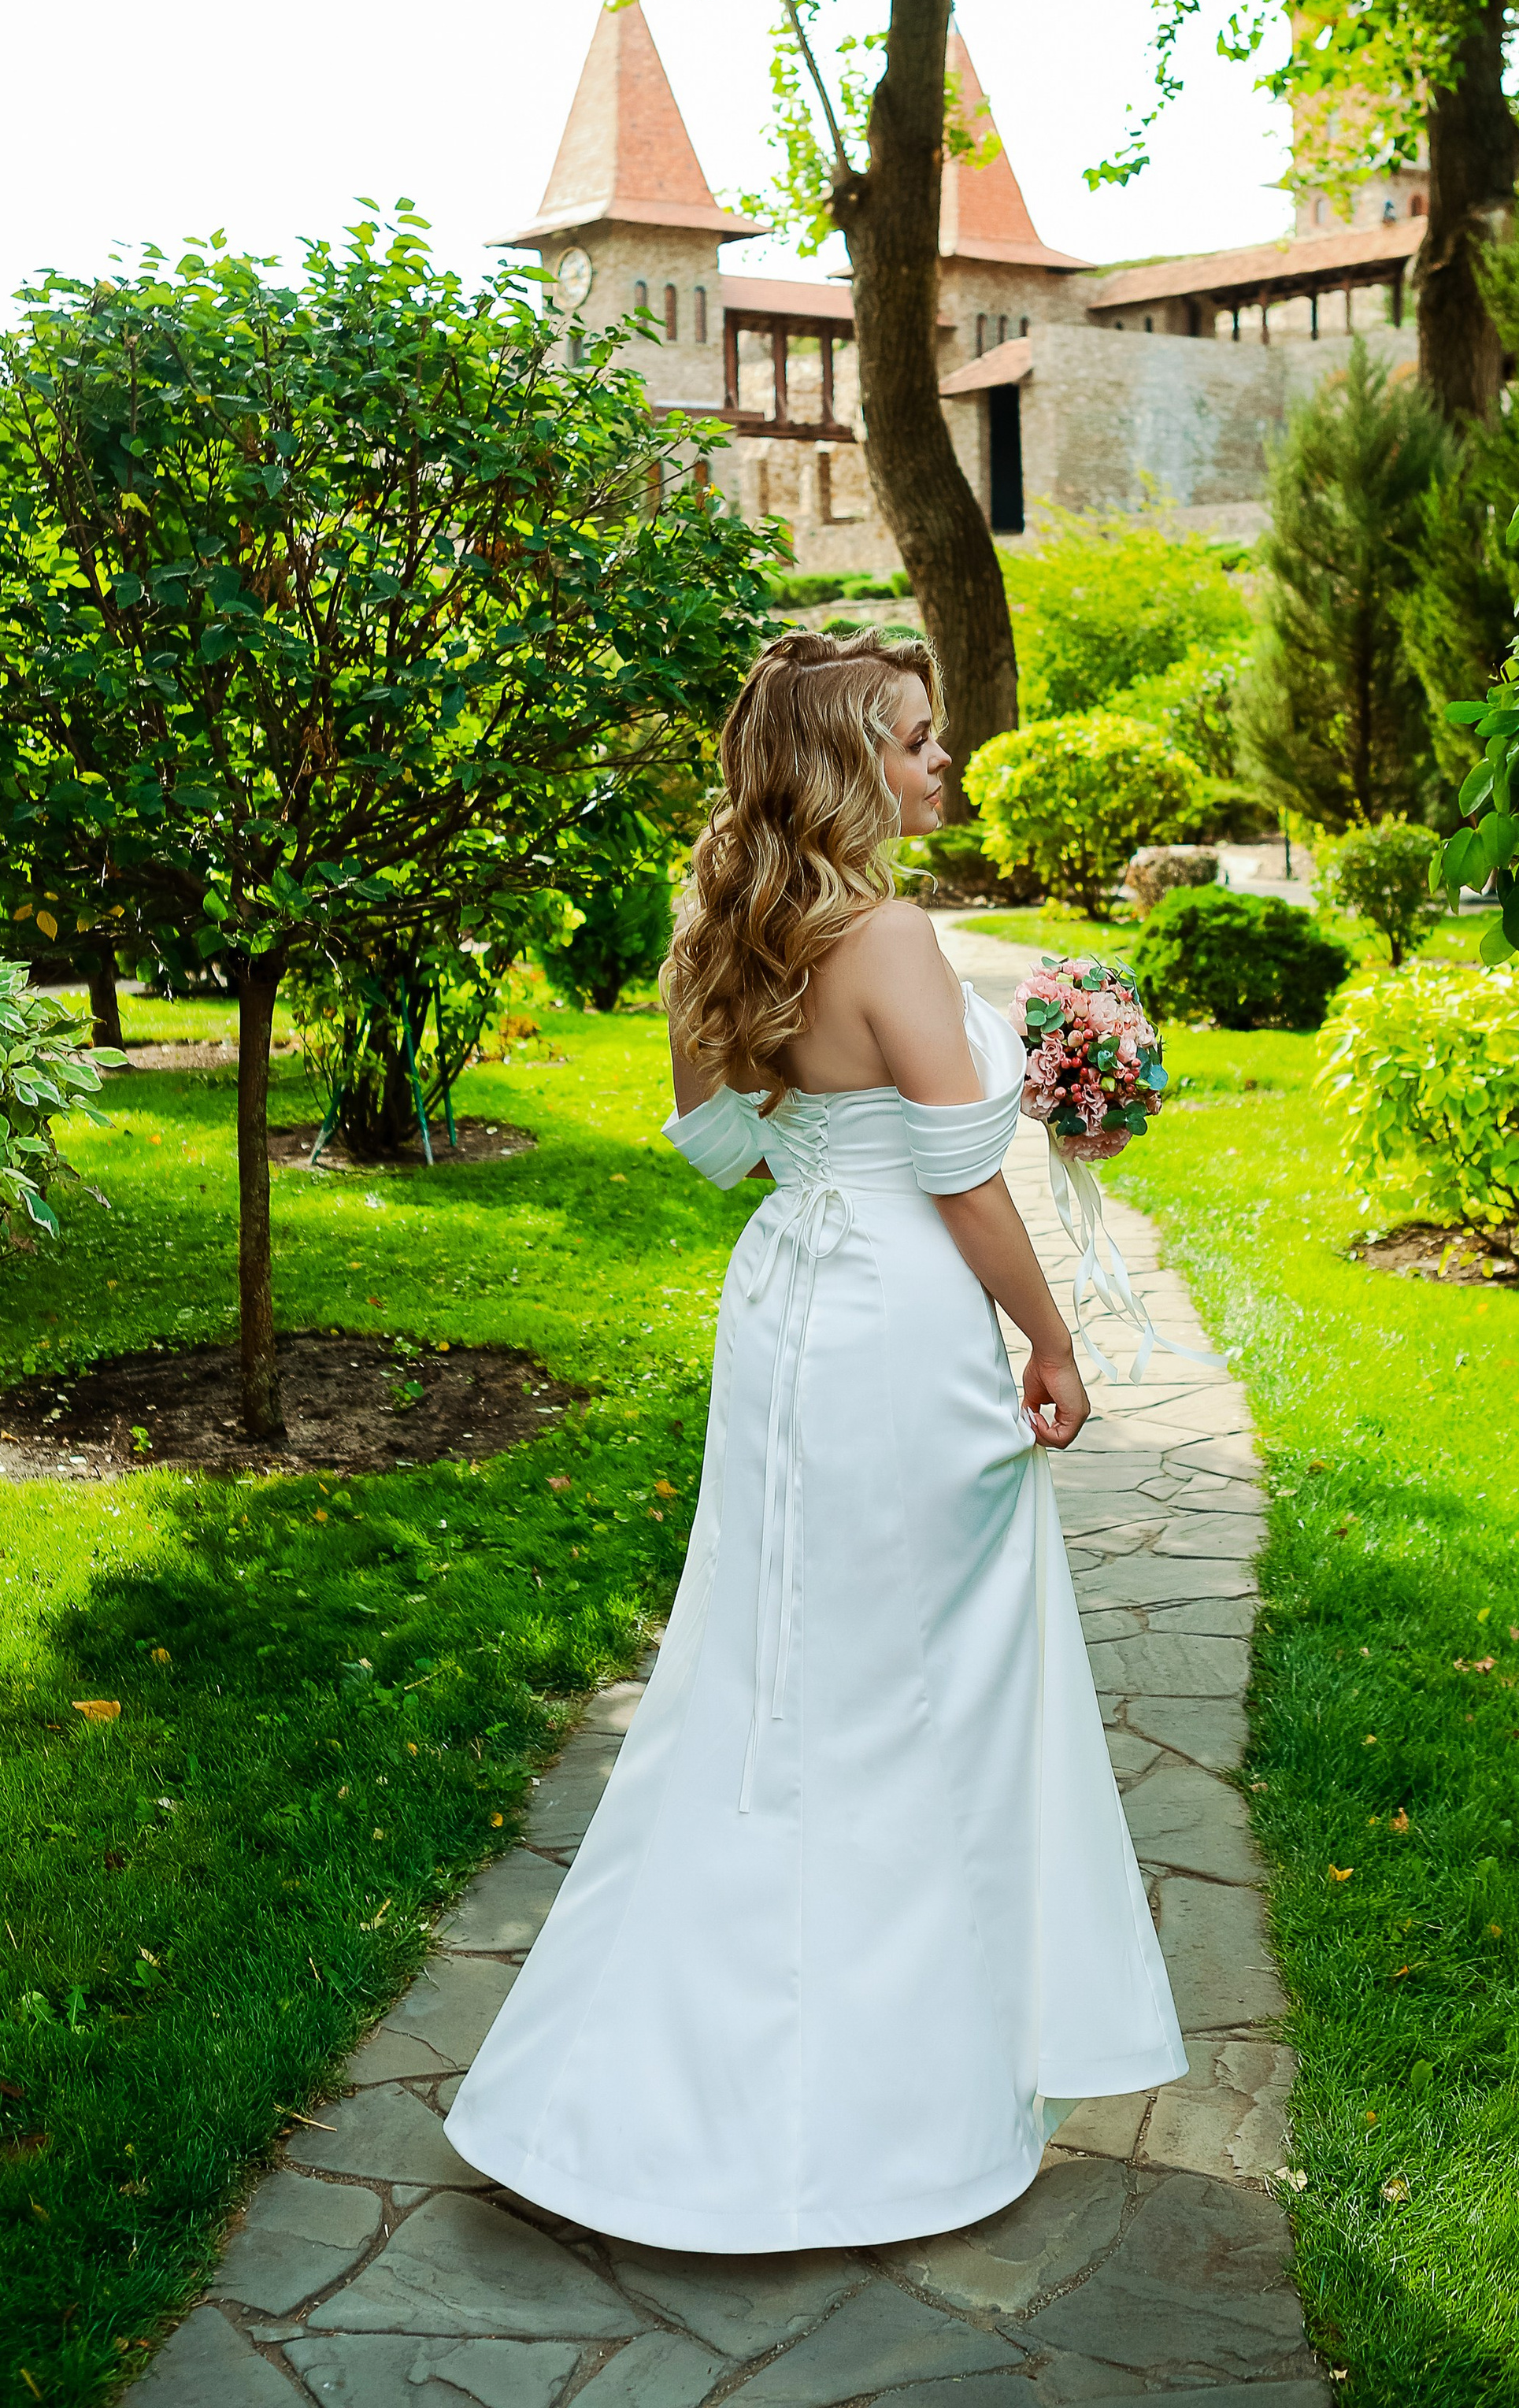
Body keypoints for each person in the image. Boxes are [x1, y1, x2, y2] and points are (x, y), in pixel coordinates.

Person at [444, 628, 1184, 2251]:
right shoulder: (889, 933)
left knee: (771, 1673)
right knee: (916, 1690)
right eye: (914, 739)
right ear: (849, 765)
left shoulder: (725, 922)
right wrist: (1051, 1339)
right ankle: (885, 2107)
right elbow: (957, 1178)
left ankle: (665, 2080)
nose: (941, 760)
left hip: (784, 1304)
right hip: (900, 1328)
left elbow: (720, 1145)